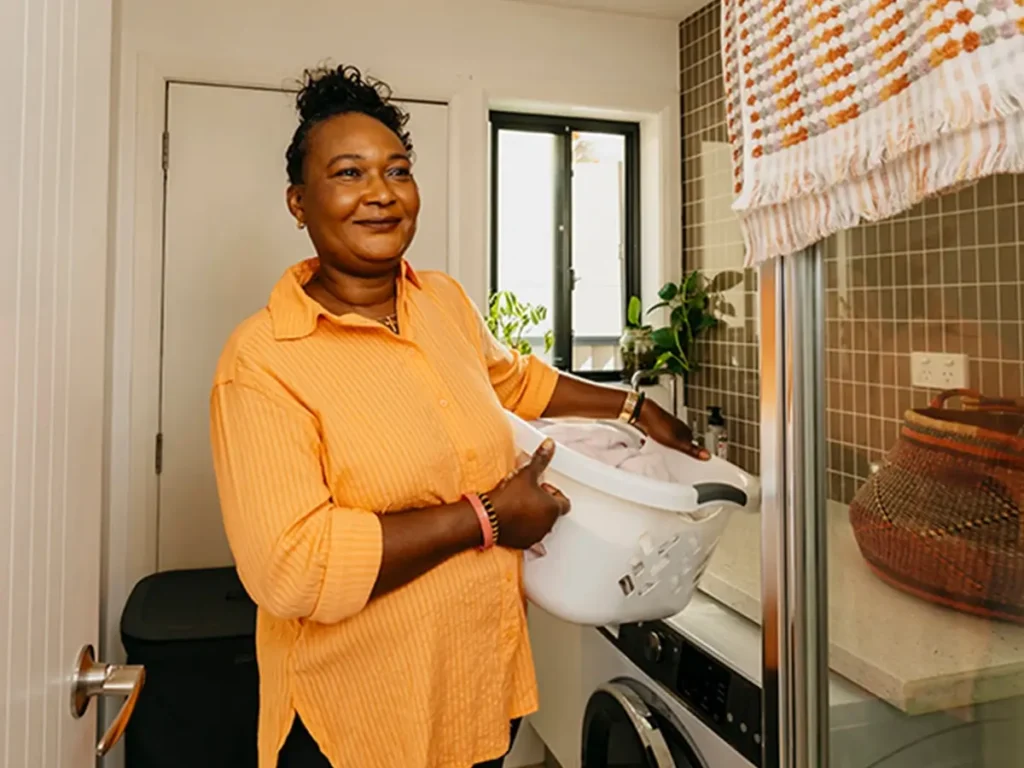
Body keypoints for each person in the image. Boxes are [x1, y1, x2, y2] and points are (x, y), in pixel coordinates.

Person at [209, 64, 707, 768]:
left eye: (398, 170)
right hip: (354, 725)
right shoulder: (262, 360)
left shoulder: (442, 302)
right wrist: (490, 519)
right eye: (349, 173)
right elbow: (294, 568)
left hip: (476, 695)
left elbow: (518, 381)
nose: (381, 193)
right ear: (298, 201)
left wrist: (633, 406)